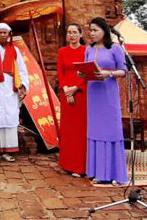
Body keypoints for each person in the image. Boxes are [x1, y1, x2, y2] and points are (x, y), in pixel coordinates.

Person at [83, 17, 128, 185]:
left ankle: (115, 173)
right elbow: (86, 68)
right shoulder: (89, 49)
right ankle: (97, 172)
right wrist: (82, 73)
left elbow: (123, 71)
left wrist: (108, 73)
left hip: (108, 92)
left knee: (111, 130)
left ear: (104, 31)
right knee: (95, 131)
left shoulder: (115, 48)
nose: (92, 33)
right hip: (93, 93)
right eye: (91, 30)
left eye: (95, 30)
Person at [0, 23, 29, 162]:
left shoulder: (14, 51)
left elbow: (23, 70)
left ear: (9, 35)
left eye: (4, 33)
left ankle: (7, 151)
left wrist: (23, 86)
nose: (2, 35)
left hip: (10, 89)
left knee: (9, 117)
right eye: (0, 32)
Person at [56, 22, 88, 177]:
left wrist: (75, 89)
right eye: (69, 32)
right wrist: (65, 89)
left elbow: (87, 72)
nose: (72, 35)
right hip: (66, 91)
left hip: (81, 92)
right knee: (68, 130)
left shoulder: (86, 51)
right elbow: (60, 72)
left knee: (80, 129)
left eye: (75, 32)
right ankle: (67, 163)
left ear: (81, 34)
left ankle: (80, 166)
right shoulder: (62, 51)